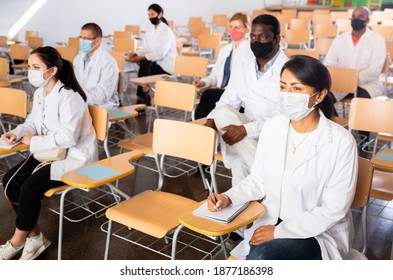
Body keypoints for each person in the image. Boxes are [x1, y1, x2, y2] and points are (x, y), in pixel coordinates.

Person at [208, 55, 359, 260]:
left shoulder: (341, 142)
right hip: (272, 221)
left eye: (297, 89)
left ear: (320, 95)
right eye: (283, 87)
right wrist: (228, 197)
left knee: (260, 258)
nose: (287, 95)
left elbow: (334, 209)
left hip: (317, 233)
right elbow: (258, 180)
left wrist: (279, 232)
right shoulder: (273, 127)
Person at [0, 47, 97, 260]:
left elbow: (69, 138)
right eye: (29, 66)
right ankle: (34, 238)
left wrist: (32, 141)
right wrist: (16, 134)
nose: (30, 71)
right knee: (9, 181)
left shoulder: (70, 97)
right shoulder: (40, 92)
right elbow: (32, 123)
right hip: (49, 151)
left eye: (36, 67)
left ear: (51, 71)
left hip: (72, 157)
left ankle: (16, 242)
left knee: (29, 188)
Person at [204, 14, 288, 186]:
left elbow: (287, 118)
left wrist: (246, 130)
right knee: (220, 112)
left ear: (277, 39)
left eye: (263, 36)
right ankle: (268, 176)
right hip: (247, 131)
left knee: (239, 165)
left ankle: (257, 187)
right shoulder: (244, 65)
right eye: (253, 37)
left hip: (275, 132)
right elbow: (227, 101)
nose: (257, 41)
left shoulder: (288, 70)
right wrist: (211, 121)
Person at [193, 12, 251, 120]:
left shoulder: (251, 51)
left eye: (237, 28)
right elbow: (215, 76)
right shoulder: (225, 50)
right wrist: (203, 82)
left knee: (208, 95)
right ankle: (202, 131)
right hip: (221, 93)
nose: (233, 30)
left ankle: (198, 128)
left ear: (247, 29)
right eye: (231, 27)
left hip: (237, 97)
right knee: (210, 107)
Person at [324, 6, 386, 101]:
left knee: (360, 105)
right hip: (341, 82)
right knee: (324, 100)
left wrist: (351, 79)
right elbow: (329, 62)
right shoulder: (340, 39)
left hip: (366, 84)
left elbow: (375, 70)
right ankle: (332, 115)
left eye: (360, 16)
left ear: (367, 20)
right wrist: (343, 77)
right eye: (354, 16)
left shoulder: (378, 41)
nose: (356, 19)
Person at [128, 3, 177, 105]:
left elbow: (161, 54)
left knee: (144, 64)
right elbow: (145, 48)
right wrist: (136, 53)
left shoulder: (166, 31)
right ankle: (144, 95)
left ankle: (142, 96)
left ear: (160, 14)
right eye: (149, 15)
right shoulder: (150, 32)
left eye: (152, 14)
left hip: (166, 66)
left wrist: (142, 57)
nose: (150, 17)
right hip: (155, 64)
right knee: (144, 64)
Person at [73, 22, 120, 109]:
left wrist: (78, 98)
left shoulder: (108, 62)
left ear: (98, 41)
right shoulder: (78, 59)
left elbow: (102, 96)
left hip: (101, 106)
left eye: (86, 38)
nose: (82, 41)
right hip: (81, 102)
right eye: (81, 37)